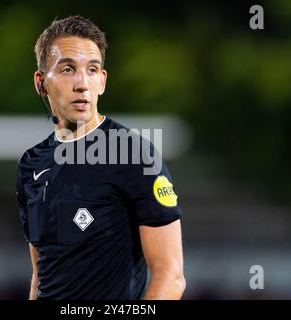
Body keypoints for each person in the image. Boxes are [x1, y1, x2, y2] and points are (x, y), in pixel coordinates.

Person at [16, 15, 186, 300]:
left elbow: (171, 277)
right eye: (68, 69)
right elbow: (40, 277)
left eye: (92, 70)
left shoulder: (134, 155)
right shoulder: (30, 165)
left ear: (102, 81)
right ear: (41, 82)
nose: (82, 83)